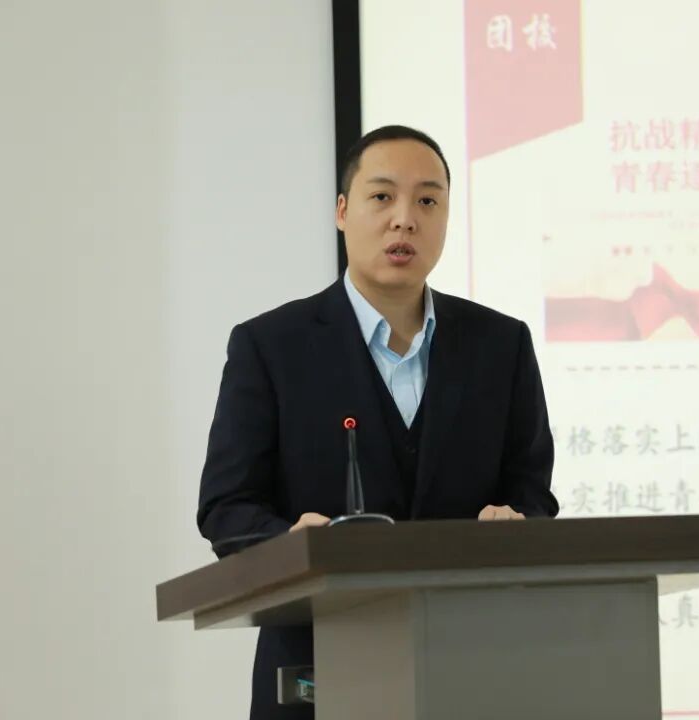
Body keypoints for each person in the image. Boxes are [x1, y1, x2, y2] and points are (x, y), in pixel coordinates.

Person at [197, 125, 558, 719]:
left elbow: (532, 491)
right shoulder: (271, 346)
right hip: (317, 673)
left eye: (427, 201)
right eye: (382, 196)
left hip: (471, 667)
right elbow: (226, 507)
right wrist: (289, 544)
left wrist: (515, 520)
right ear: (342, 211)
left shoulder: (501, 345)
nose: (405, 220)